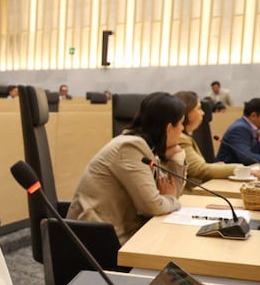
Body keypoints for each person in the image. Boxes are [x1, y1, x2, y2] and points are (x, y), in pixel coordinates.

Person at [67, 92, 186, 244]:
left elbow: (171, 191)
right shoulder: (130, 148)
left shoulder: (146, 149)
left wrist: (176, 158)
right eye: (181, 123)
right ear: (169, 128)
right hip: (97, 238)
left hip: (116, 232)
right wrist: (171, 199)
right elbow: (154, 206)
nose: (182, 129)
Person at [172, 91, 241, 183]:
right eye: (199, 108)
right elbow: (199, 170)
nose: (203, 113)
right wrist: (240, 169)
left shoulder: (185, 136)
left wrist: (214, 167)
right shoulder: (181, 138)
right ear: (187, 112)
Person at [214, 97, 260, 165]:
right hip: (227, 174)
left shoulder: (249, 128)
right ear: (253, 115)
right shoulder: (239, 129)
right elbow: (247, 158)